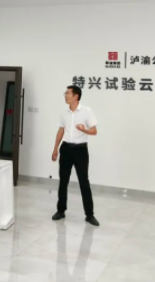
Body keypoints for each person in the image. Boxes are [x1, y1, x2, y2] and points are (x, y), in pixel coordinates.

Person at [51, 85, 100, 227]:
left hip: (80, 150)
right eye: (65, 93)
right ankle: (60, 210)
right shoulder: (64, 113)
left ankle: (89, 215)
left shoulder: (86, 111)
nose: (65, 96)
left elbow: (94, 131)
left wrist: (85, 130)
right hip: (66, 148)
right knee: (63, 181)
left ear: (76, 96)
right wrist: (55, 148)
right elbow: (61, 130)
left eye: (68, 93)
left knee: (84, 181)